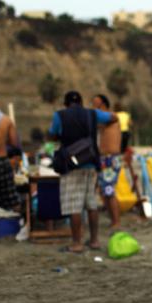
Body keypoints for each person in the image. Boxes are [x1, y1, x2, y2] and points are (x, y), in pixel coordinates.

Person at [49, 91, 113, 251]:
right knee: (91, 204)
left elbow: (52, 135)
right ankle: (94, 241)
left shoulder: (60, 115)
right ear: (81, 102)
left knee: (73, 206)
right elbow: (113, 118)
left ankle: (77, 243)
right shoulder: (92, 113)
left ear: (66, 103)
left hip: (71, 165)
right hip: (91, 163)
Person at [91, 93, 121, 229]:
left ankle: (116, 221)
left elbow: (114, 117)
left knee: (109, 191)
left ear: (103, 104)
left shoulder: (112, 117)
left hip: (110, 159)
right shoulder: (101, 123)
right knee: (104, 192)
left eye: (96, 103)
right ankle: (113, 220)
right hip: (104, 159)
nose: (93, 105)